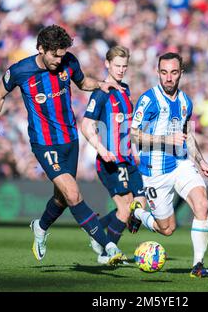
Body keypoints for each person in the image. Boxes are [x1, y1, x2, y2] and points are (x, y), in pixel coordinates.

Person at [0, 25, 127, 265]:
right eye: (55, 54)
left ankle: (40, 226)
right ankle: (107, 246)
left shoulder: (69, 61)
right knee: (73, 193)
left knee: (61, 197)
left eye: (62, 54)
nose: (59, 59)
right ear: (41, 49)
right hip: (44, 143)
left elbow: (82, 82)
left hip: (70, 139)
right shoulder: (20, 70)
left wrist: (99, 84)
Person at [129, 52, 208, 278]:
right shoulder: (149, 100)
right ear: (158, 73)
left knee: (202, 205)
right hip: (155, 172)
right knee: (167, 229)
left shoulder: (186, 101)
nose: (168, 78)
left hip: (181, 164)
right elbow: (134, 136)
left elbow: (188, 135)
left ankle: (197, 265)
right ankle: (138, 213)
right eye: (164, 72)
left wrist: (201, 160)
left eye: (173, 73)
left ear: (181, 74)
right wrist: (165, 140)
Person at [81, 45, 145, 264]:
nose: (120, 70)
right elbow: (86, 125)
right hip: (110, 160)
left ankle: (97, 231)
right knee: (125, 208)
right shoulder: (101, 92)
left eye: (124, 66)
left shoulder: (125, 90)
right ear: (107, 64)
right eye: (117, 65)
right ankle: (106, 252)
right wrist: (101, 149)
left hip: (129, 159)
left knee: (139, 207)